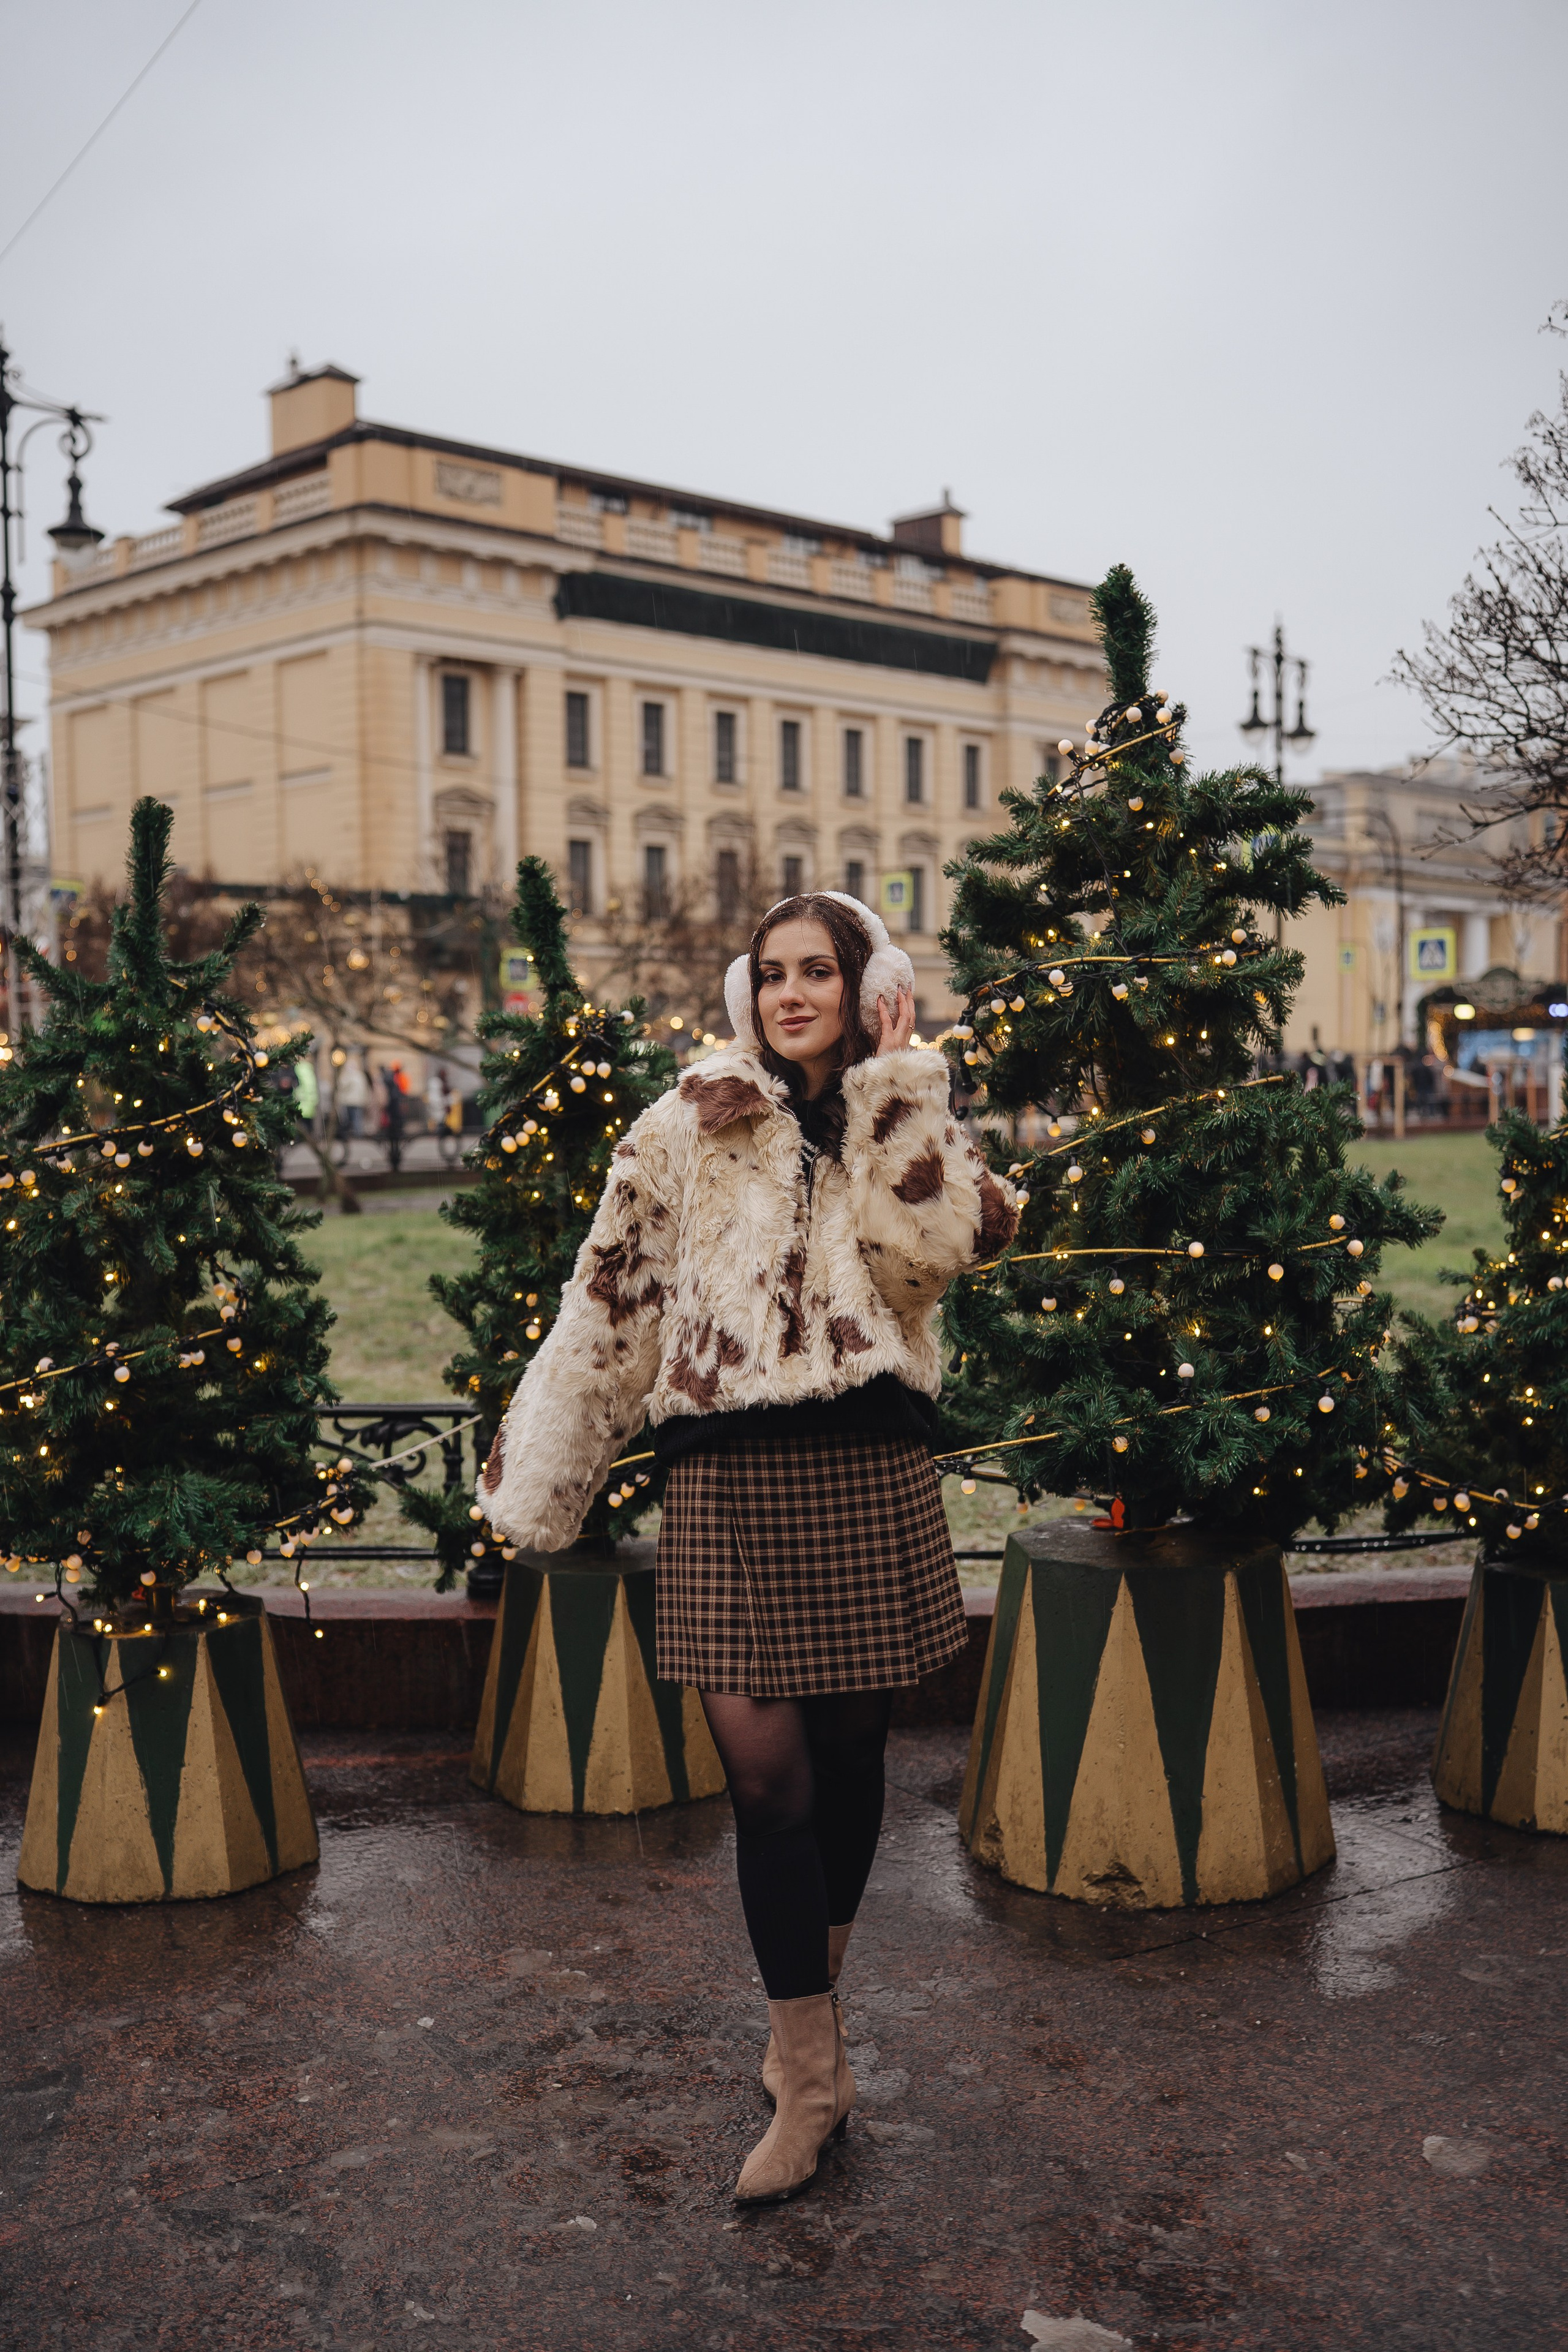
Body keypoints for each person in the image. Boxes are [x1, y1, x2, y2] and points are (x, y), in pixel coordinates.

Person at [480, 892, 1018, 2204]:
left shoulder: (907, 1112)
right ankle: (811, 2075)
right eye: (772, 973)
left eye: (818, 971)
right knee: (767, 1785)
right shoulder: (687, 1122)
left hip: (863, 1467)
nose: (791, 994)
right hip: (725, 1478)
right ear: (748, 992)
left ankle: (808, 2034)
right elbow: (609, 1302)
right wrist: (543, 1478)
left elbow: (928, 1265)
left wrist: (900, 1093)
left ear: (863, 985)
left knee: (851, 1758)